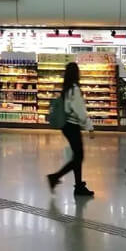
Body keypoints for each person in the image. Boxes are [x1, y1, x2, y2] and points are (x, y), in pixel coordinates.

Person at [46, 62, 95, 197]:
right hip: (72, 126)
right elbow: (80, 111)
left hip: (66, 126)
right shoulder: (74, 89)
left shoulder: (67, 88)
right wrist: (90, 127)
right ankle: (55, 177)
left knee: (77, 156)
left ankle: (78, 186)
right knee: (79, 157)